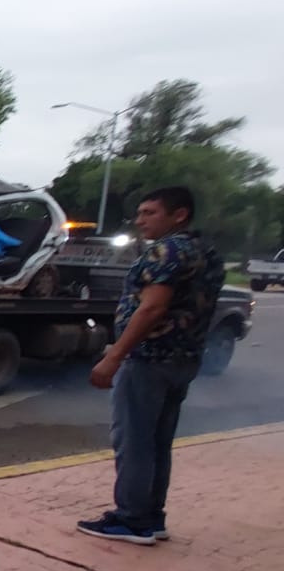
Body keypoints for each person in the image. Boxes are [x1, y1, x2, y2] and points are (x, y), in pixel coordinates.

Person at [77, 186, 226, 545]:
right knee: (158, 441)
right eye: (140, 213)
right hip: (182, 359)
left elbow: (153, 308)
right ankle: (152, 516)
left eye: (150, 213)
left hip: (148, 358)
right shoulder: (205, 252)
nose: (140, 220)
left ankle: (131, 520)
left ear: (179, 215)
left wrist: (114, 356)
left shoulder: (168, 251)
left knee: (134, 440)